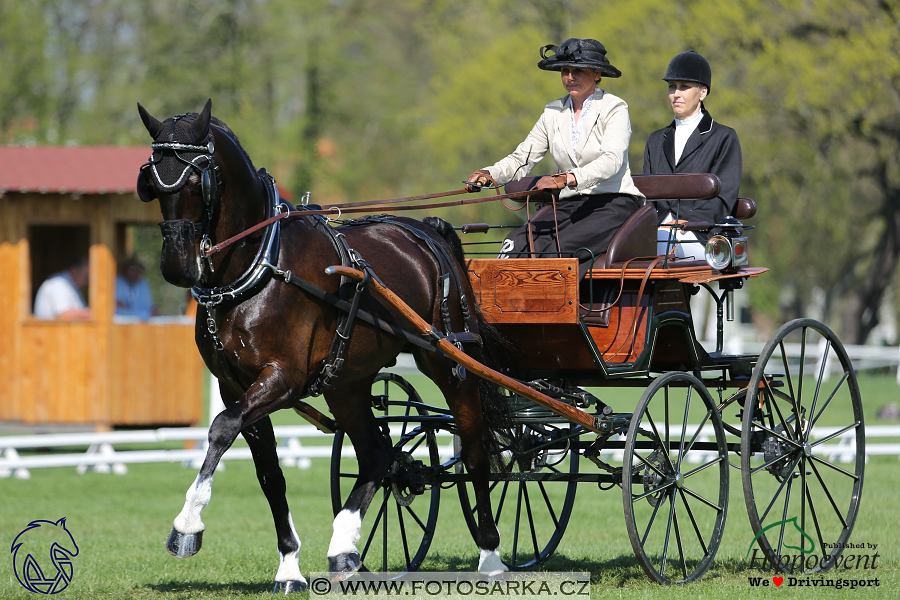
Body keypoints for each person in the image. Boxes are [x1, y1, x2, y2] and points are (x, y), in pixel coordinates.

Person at [466, 37, 645, 274]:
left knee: (556, 251)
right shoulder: (552, 111)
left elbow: (612, 161)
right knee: (515, 244)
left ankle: (549, 308)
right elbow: (523, 157)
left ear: (596, 74)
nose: (570, 77)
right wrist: (490, 174)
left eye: (578, 71)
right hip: (569, 205)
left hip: (613, 204)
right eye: (565, 70)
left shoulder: (614, 108)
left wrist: (567, 178)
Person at [642, 50, 742, 256]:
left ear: (703, 92)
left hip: (702, 234)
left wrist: (690, 223)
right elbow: (647, 197)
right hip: (657, 231)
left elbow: (723, 199)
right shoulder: (655, 140)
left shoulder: (724, 137)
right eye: (672, 86)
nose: (676, 93)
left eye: (684, 87)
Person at [33, 255, 91, 320]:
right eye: (86, 276)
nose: (87, 281)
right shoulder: (58, 283)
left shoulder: (73, 286)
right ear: (74, 270)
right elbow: (64, 315)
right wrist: (92, 313)